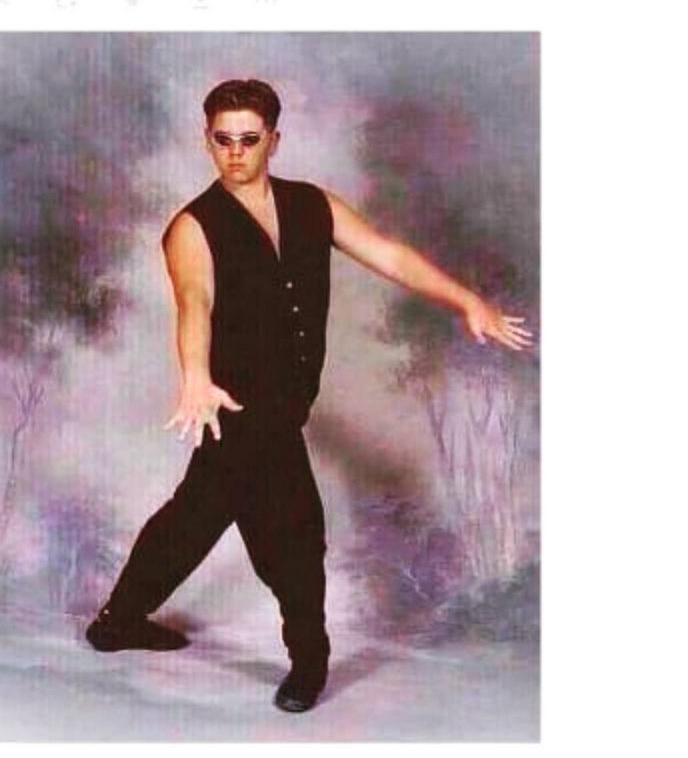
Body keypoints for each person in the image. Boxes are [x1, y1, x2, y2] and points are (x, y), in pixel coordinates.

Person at [85, 79, 532, 712]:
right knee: (295, 536)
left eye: (248, 139)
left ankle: (117, 621)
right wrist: (194, 375)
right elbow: (195, 302)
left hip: (284, 406)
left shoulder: (312, 205)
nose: (235, 153)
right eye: (222, 140)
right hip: (236, 410)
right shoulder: (191, 227)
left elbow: (389, 254)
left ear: (274, 140)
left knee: (193, 517)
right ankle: (309, 661)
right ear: (207, 141)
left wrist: (466, 300)